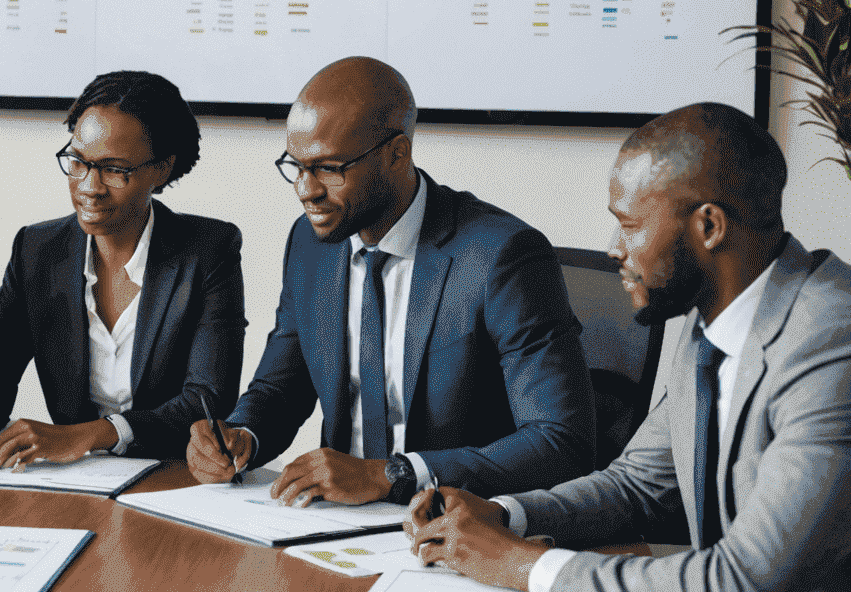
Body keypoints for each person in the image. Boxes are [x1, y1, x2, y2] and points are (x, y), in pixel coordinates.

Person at [408, 103, 851, 592]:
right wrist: (505, 515)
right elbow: (638, 484)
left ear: (709, 225)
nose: (616, 250)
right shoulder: (711, 322)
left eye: (630, 225)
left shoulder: (829, 342)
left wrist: (520, 565)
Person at [187, 57, 594, 506]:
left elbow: (562, 442)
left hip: (458, 522)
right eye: (296, 166)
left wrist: (392, 475)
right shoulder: (311, 242)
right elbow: (282, 387)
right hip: (335, 524)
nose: (306, 190)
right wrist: (243, 435)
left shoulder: (501, 256)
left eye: (328, 168)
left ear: (397, 153)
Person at [0, 71, 244, 466]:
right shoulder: (36, 251)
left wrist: (87, 435)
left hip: (173, 477)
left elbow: (206, 401)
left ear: (162, 169)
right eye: (78, 162)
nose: (89, 186)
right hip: (72, 481)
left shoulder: (208, 251)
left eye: (114, 169)